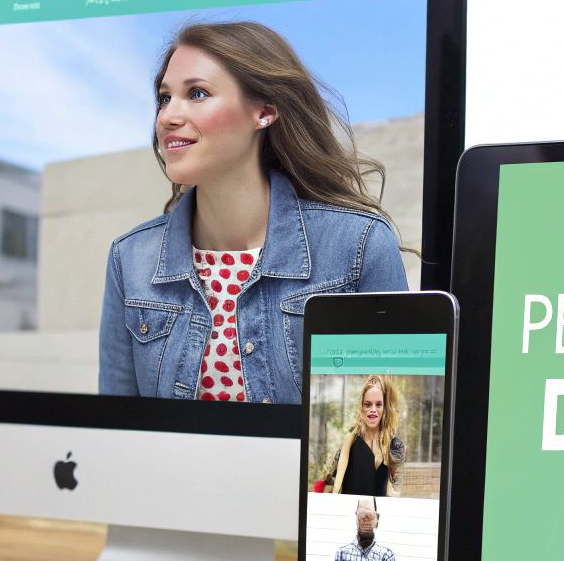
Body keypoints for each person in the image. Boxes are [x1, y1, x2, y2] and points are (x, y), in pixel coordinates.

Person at [98, 21, 409, 403]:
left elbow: (390, 430)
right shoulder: (130, 260)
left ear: (263, 112)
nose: (167, 116)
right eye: (164, 98)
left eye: (196, 93)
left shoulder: (359, 247)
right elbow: (117, 433)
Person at [319, 374, 405, 497]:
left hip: (380, 513)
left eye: (378, 404)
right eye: (368, 404)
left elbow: (397, 489)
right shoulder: (350, 443)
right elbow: (332, 483)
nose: (373, 409)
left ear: (385, 408)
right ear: (361, 407)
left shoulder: (395, 445)